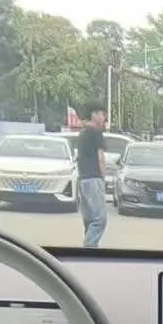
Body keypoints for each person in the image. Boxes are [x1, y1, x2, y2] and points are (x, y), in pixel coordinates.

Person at [75, 105, 109, 248]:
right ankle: (89, 247)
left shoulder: (82, 133)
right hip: (94, 179)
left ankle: (90, 249)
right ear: (94, 115)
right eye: (102, 114)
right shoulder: (96, 132)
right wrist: (103, 178)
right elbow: (101, 158)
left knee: (89, 220)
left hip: (83, 179)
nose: (104, 118)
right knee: (100, 220)